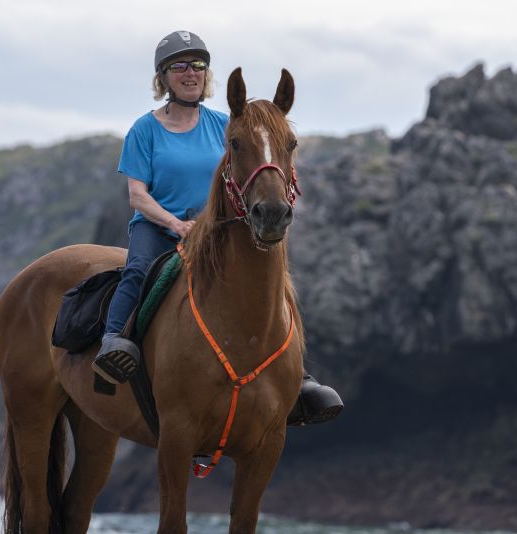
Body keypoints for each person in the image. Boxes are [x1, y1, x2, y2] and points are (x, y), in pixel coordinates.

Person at [92, 30, 342, 426]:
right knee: (139, 270)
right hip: (160, 226)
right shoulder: (145, 129)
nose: (190, 73)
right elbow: (137, 195)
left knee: (273, 284)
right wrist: (176, 224)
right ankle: (113, 343)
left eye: (198, 65)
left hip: (217, 227)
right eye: (179, 66)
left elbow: (248, 167)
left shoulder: (226, 125)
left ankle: (298, 376)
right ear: (163, 77)